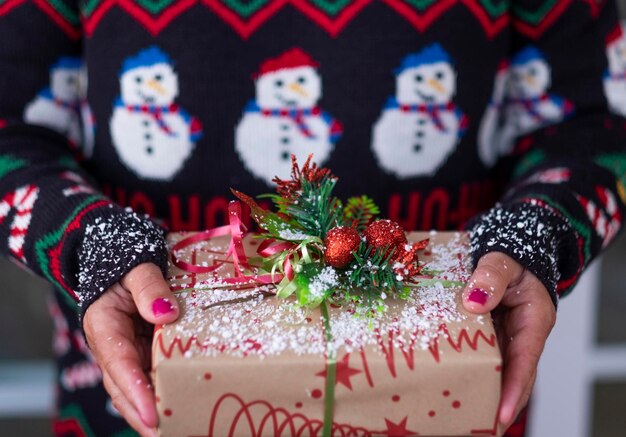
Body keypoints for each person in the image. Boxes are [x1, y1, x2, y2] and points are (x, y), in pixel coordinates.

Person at [1, 1, 625, 436]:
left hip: (444, 387)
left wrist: (538, 233)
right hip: (144, 400)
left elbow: (594, 122)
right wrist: (91, 245)